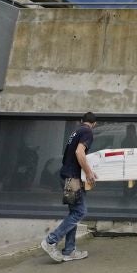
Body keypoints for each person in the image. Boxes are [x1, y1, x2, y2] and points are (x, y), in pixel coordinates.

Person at [41, 112, 98, 263]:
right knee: (80, 211)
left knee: (74, 212)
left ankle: (69, 250)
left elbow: (69, 156)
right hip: (73, 179)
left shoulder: (75, 132)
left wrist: (86, 171)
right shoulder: (87, 131)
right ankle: (50, 241)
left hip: (67, 176)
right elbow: (79, 152)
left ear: (81, 121)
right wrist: (89, 173)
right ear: (94, 124)